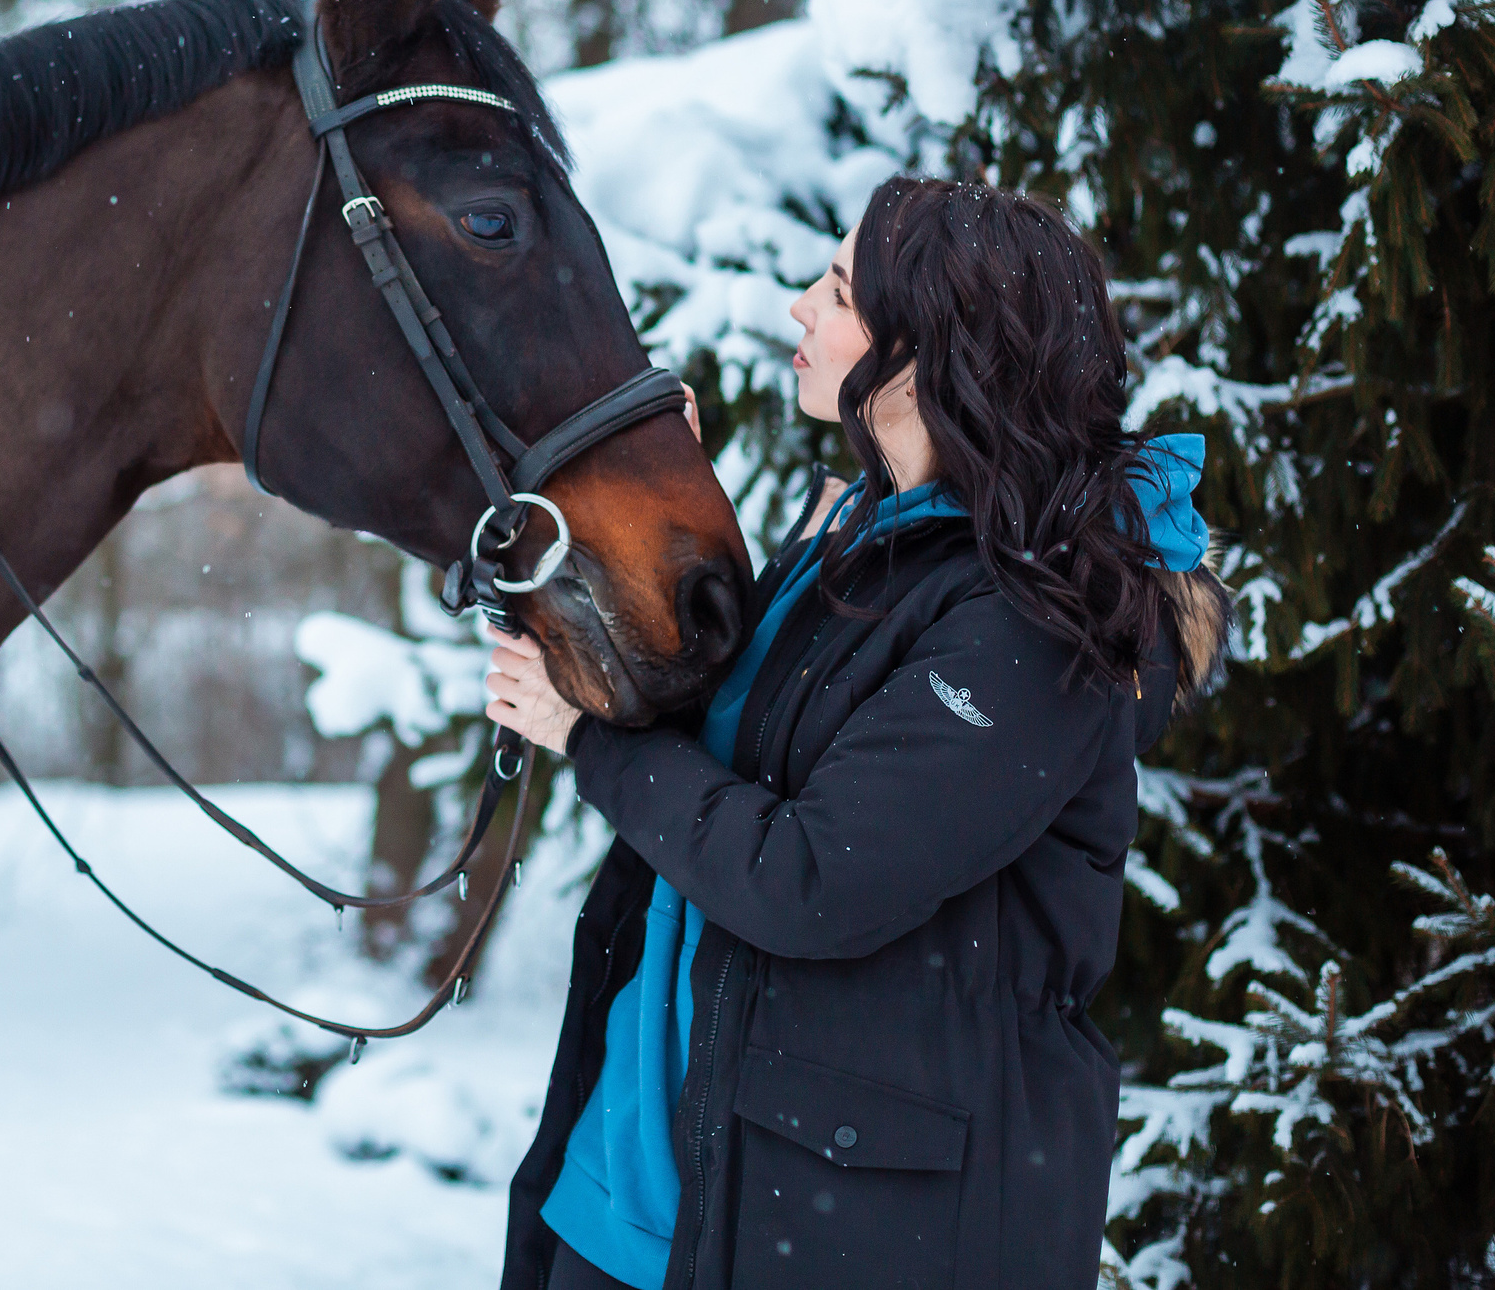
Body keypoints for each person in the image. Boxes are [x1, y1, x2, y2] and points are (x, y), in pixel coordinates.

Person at [483, 175, 1231, 1290]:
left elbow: (812, 878)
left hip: (835, 1227)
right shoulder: (864, 538)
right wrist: (640, 515)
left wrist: (587, 744)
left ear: (930, 350)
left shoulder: (1031, 626)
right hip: (645, 1179)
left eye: (834, 292)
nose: (797, 309)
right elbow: (735, 755)